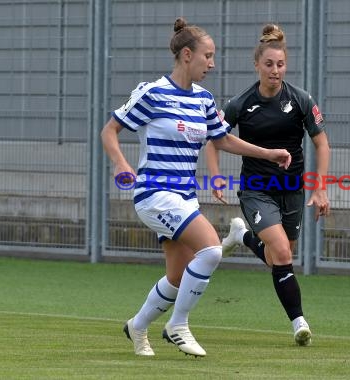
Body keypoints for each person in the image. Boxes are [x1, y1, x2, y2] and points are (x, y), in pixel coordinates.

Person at [100, 18, 291, 358]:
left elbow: (224, 140)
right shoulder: (151, 93)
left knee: (176, 278)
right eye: (208, 56)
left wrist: (269, 153)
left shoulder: (203, 99)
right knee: (212, 250)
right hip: (154, 194)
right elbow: (109, 131)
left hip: (184, 198)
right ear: (187, 55)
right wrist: (121, 163)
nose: (212, 64)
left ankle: (138, 326)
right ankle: (178, 325)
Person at [205, 23, 330, 346]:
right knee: (283, 254)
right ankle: (299, 323)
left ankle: (240, 236)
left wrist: (320, 188)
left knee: (280, 256)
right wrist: (216, 174)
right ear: (257, 65)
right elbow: (214, 138)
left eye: (281, 64)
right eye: (269, 64)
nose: (275, 70)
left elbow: (322, 144)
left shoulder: (300, 99)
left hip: (292, 191)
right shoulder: (241, 103)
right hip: (256, 189)